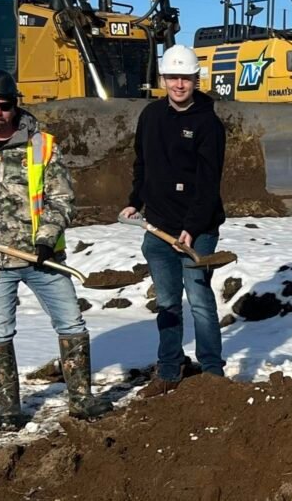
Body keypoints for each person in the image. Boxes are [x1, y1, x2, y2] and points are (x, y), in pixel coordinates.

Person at [0, 69, 111, 430]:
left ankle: (80, 399)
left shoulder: (42, 144)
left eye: (4, 105)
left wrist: (46, 237)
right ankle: (9, 406)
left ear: (15, 106)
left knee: (71, 322)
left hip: (41, 257)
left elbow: (61, 198)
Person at [119, 45, 227, 397]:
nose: (179, 84)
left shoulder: (208, 124)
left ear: (196, 80)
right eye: (172, 77)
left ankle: (212, 373)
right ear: (163, 79)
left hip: (198, 229)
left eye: (186, 78)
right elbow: (142, 165)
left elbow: (209, 184)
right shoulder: (151, 116)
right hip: (158, 228)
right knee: (167, 301)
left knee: (199, 299)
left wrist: (192, 228)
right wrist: (135, 201)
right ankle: (169, 369)